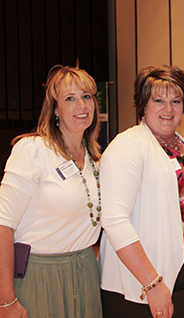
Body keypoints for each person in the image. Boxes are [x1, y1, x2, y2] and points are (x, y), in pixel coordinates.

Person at [99, 65, 184, 318]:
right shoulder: (127, 147)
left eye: (176, 101)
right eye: (159, 100)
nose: (168, 109)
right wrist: (152, 283)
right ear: (143, 105)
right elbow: (114, 221)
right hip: (141, 282)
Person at [0, 65, 103, 318]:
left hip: (86, 272)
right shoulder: (33, 150)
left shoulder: (95, 158)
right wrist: (6, 301)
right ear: (55, 109)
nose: (82, 105)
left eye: (87, 96)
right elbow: (3, 226)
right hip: (39, 276)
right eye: (70, 98)